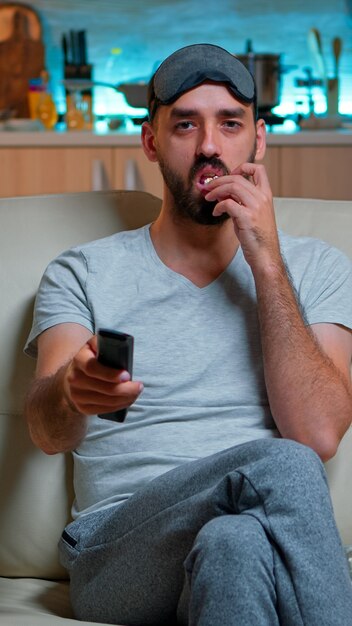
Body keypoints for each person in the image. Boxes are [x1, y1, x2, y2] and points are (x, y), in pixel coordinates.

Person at [24, 43, 352, 626]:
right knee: (285, 466)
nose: (209, 146)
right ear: (151, 142)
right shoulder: (83, 270)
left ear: (259, 140)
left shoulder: (317, 267)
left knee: (235, 545)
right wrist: (72, 392)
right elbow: (47, 432)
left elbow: (320, 432)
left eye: (230, 123)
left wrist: (268, 265)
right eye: (185, 125)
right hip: (118, 554)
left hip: (253, 534)